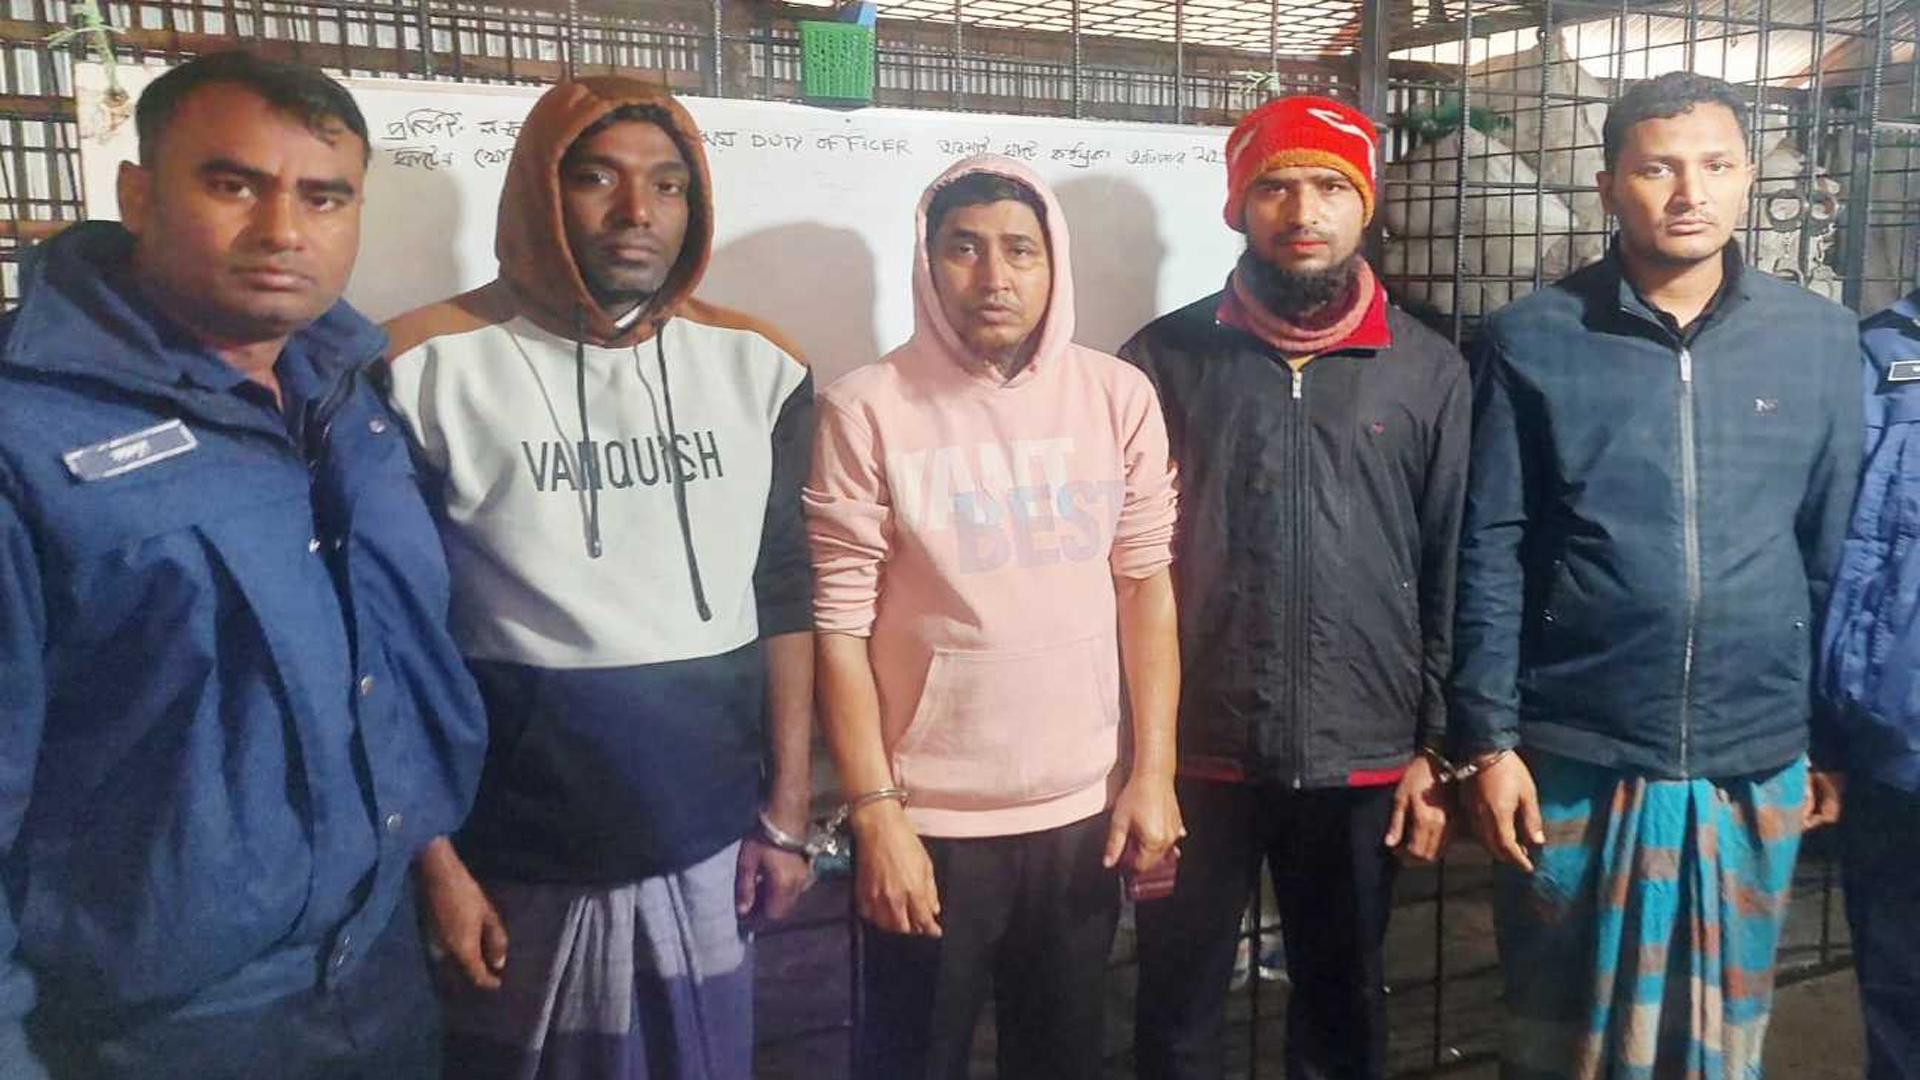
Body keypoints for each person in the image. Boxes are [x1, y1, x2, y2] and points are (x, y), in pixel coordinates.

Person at [0, 51, 486, 1080]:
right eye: (233, 184)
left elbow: (374, 664)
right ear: (138, 194)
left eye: (323, 197)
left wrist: (433, 858)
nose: (282, 230)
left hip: (379, 970)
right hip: (160, 1027)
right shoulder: (26, 437)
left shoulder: (347, 394)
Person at [381, 79, 814, 1079]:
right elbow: (386, 640)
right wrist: (433, 860)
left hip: (710, 843)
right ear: (539, 190)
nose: (636, 212)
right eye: (597, 179)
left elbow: (785, 589)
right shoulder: (420, 367)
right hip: (516, 856)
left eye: (668, 185)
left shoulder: (762, 367)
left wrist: (788, 816)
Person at [1452, 70, 1859, 1078]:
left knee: (1723, 1032)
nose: (1689, 192)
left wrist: (1823, 732)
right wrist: (1487, 741)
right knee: (1560, 1029)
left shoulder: (1816, 338)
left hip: (1751, 748)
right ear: (1607, 185)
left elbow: (1829, 549)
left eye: (1716, 166)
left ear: (1749, 178)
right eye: (1657, 169)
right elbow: (1489, 547)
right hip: (1577, 746)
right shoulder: (1533, 339)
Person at [806, 155, 1182, 1080]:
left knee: (1062, 1058)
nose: (994, 276)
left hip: (1082, 813)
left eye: (1020, 250)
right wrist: (877, 816)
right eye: (964, 249)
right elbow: (839, 629)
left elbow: (1145, 587)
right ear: (927, 263)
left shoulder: (1116, 396)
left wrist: (1153, 774)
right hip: (928, 823)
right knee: (913, 1059)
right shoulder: (865, 409)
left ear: (1055, 265)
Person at [1120, 93, 1470, 1080]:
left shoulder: (1429, 370)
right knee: (1175, 1012)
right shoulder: (1160, 361)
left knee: (1343, 1010)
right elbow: (1124, 572)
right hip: (1195, 755)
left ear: (1367, 205)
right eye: (1275, 186)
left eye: (1329, 185)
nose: (1303, 210)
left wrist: (1435, 746)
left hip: (1365, 756)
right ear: (1238, 204)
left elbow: (1454, 562)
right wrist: (1138, 752)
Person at [1819, 291, 1920, 1080]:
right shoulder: (1873, 355)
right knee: (1898, 994)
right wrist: (1825, 734)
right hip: (1893, 747)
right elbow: (1829, 545)